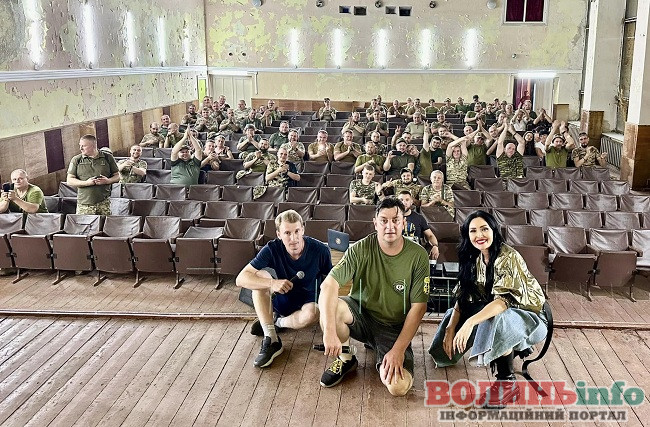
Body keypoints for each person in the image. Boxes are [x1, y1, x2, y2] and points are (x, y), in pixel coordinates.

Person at [428, 210, 547, 408]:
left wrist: (470, 323)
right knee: (454, 315)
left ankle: (507, 383)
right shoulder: (473, 256)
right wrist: (451, 328)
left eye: (484, 229)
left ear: (493, 230)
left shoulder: (508, 256)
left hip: (531, 318)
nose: (479, 235)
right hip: (497, 310)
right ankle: (447, 354)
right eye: (473, 231)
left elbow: (503, 302)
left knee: (495, 319)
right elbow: (464, 297)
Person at [318, 198, 429, 396]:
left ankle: (382, 348)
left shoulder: (418, 255)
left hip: (393, 327)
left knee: (398, 387)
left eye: (395, 220)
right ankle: (346, 359)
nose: (390, 226)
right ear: (375, 223)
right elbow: (328, 285)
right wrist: (329, 331)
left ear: (404, 223)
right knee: (332, 310)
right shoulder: (359, 249)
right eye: (384, 220)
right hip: (361, 315)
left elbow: (419, 307)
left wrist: (398, 350)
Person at [236, 210, 333, 367]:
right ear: (279, 234)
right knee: (259, 277)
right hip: (282, 298)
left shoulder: (321, 250)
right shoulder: (272, 248)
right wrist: (272, 283)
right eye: (287, 233)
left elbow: (330, 282)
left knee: (313, 313)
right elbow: (240, 279)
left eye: (297, 231)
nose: (293, 238)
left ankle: (277, 323)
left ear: (303, 229)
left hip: (309, 301)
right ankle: (272, 339)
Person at [66, 135, 119, 215]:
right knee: (84, 223)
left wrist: (107, 181)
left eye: (84, 146)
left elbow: (117, 176)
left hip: (104, 202)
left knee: (105, 222)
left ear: (93, 146)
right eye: (80, 145)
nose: (81, 148)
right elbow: (69, 180)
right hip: (84, 204)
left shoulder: (107, 157)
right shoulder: (77, 159)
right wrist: (86, 183)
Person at [397, 190, 440, 259]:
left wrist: (435, 246)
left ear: (411, 202)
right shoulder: (392, 218)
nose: (404, 202)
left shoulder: (419, 218)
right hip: (397, 252)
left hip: (415, 253)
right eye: (401, 200)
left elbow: (430, 235)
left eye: (407, 200)